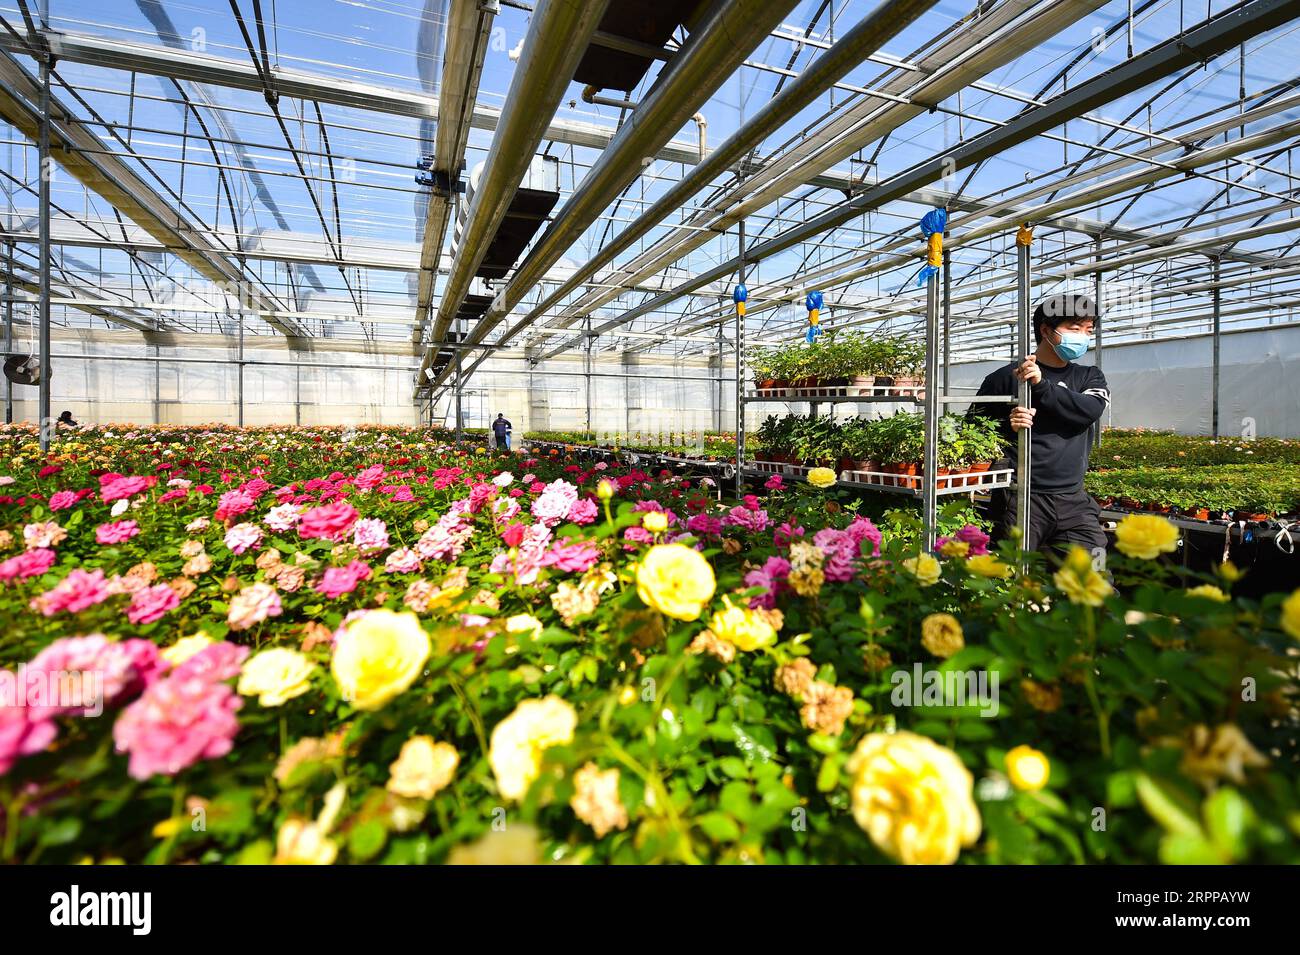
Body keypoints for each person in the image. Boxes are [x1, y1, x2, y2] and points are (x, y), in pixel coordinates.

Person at [967, 293, 1108, 555]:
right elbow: (972, 432)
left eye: (1089, 330)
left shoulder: (1089, 376)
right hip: (1019, 498)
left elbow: (1089, 410)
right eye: (1075, 328)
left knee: (1095, 578)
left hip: (1074, 500)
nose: (1083, 337)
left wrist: (1042, 385)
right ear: (1046, 330)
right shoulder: (1004, 379)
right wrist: (1007, 427)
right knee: (1007, 580)